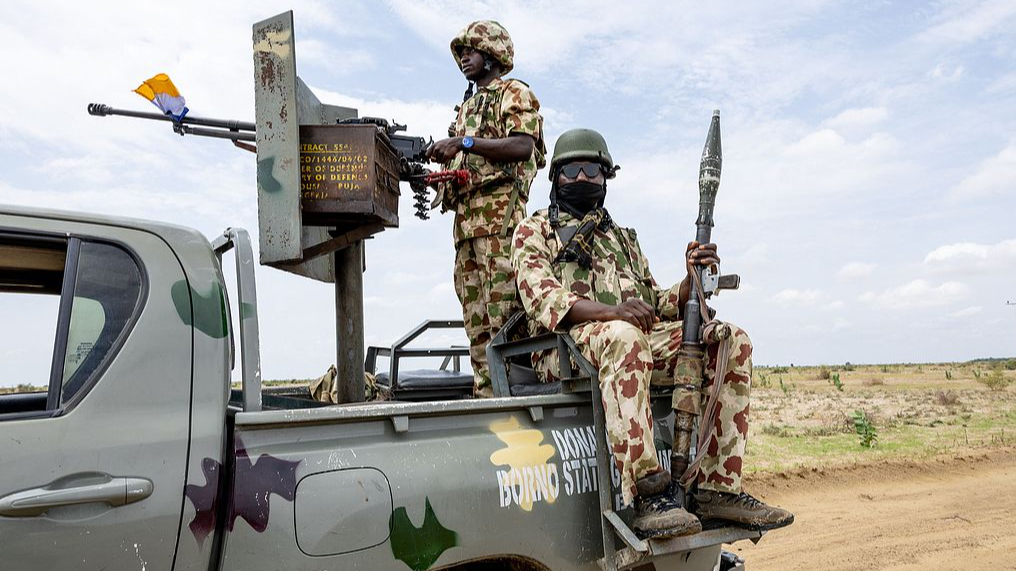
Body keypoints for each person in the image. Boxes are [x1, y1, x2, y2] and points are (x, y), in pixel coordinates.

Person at [510, 128, 793, 539]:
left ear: (606, 178)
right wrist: (614, 313)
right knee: (625, 336)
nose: (582, 177)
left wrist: (691, 281)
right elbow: (545, 300)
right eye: (572, 170)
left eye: (592, 169)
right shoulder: (533, 231)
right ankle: (648, 494)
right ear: (556, 178)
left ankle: (717, 489)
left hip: (632, 341)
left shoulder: (622, 238)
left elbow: (656, 302)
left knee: (730, 339)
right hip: (565, 348)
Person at [426, 20, 546, 398]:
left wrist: (463, 142)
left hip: (501, 224)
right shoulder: (466, 107)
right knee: (475, 322)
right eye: (461, 52)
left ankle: (517, 398)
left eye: (471, 50)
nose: (464, 57)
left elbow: (523, 146)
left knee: (506, 318)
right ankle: (486, 398)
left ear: (492, 54)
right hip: (466, 227)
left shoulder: (513, 93)